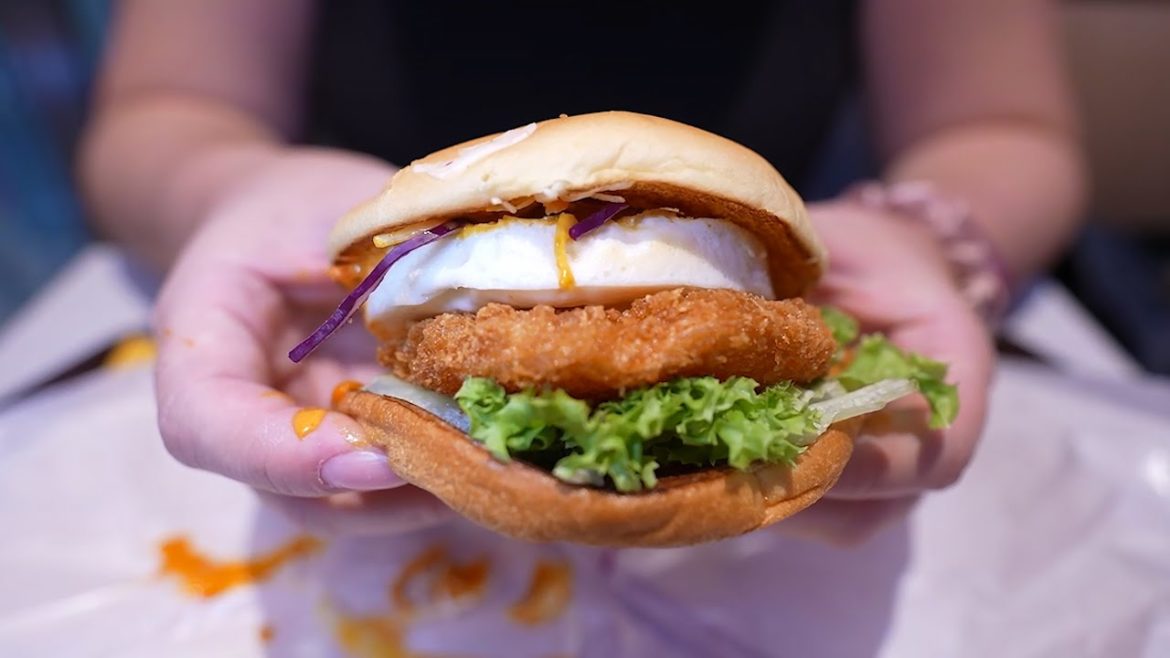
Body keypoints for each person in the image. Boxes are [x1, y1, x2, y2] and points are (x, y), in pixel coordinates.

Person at [79, 1, 1086, 544]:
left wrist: (928, 230)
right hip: (376, 283)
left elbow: (1002, 127)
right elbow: (162, 107)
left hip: (786, 240)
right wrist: (232, 183)